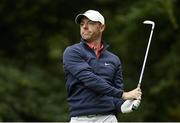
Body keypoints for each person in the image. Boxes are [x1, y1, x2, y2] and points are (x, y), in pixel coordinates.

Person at [63, 10, 142, 123]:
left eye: (90, 23)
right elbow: (90, 80)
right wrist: (123, 95)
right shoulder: (72, 52)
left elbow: (116, 93)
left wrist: (124, 105)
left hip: (108, 118)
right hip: (80, 119)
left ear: (101, 27)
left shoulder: (113, 59)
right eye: (82, 24)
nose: (84, 26)